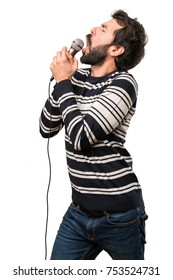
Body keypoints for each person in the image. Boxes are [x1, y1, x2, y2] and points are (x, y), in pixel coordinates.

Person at [39, 9, 148, 260]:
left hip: (120, 217)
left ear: (116, 50)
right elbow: (46, 127)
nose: (92, 30)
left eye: (103, 29)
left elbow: (80, 138)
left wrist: (64, 83)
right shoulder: (75, 78)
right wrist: (63, 80)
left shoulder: (123, 84)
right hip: (78, 214)